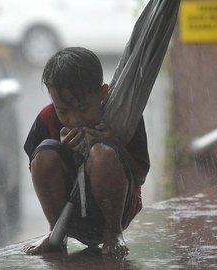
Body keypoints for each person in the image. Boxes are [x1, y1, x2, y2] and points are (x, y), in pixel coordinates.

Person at [23, 47, 150, 257]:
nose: (74, 119)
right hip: (67, 215)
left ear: (103, 93)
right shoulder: (47, 118)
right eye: (63, 110)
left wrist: (114, 143)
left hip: (118, 211)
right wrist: (64, 150)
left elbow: (140, 176)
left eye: (83, 108)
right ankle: (56, 232)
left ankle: (113, 233)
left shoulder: (123, 117)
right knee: (44, 154)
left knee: (103, 154)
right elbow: (38, 170)